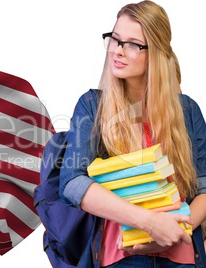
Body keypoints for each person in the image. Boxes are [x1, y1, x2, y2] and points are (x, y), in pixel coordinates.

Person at [59, 1, 206, 267]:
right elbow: (72, 183)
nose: (117, 51)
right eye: (115, 40)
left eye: (132, 44)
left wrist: (174, 232)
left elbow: (205, 186)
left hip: (184, 257)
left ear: (157, 52)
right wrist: (150, 223)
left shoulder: (188, 111)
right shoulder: (93, 106)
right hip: (120, 258)